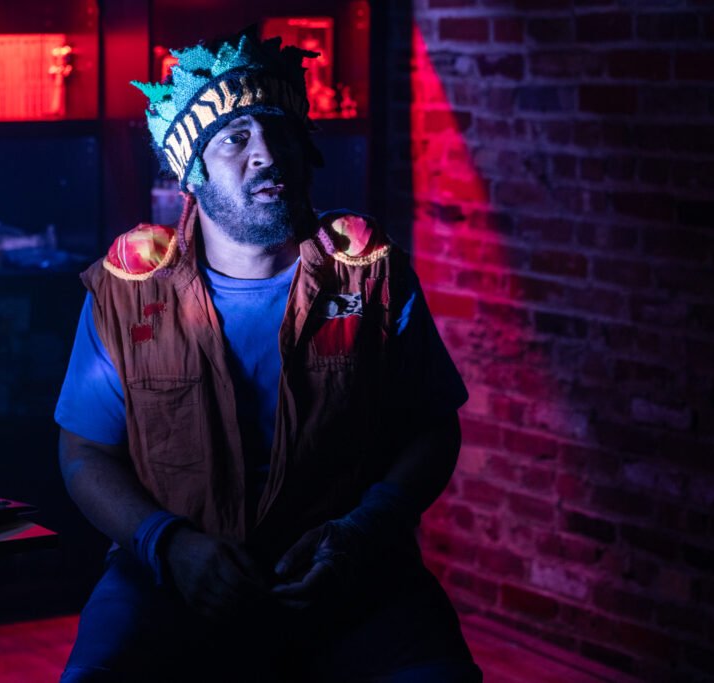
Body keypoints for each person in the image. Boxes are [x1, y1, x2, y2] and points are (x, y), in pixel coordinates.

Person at [55, 31, 482, 683]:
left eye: (279, 132)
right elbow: (83, 453)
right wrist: (169, 545)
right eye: (234, 137)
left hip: (356, 578)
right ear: (189, 172)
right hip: (170, 580)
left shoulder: (369, 276)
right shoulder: (129, 290)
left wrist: (363, 532)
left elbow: (433, 426)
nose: (267, 155)